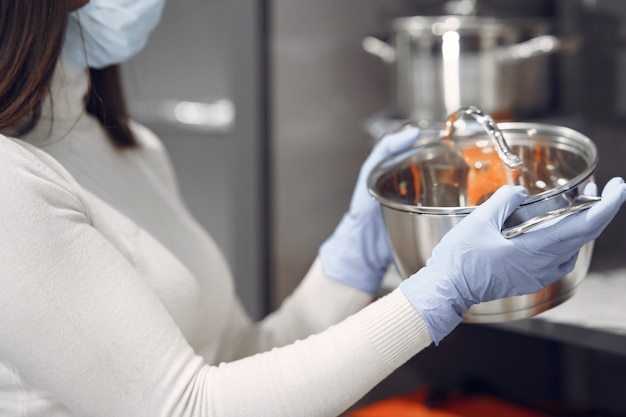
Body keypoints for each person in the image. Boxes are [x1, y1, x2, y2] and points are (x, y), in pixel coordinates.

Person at [0, 1, 624, 416]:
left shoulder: (123, 144)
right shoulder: (11, 177)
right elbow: (191, 408)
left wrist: (350, 258)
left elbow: (240, 358)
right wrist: (441, 292)